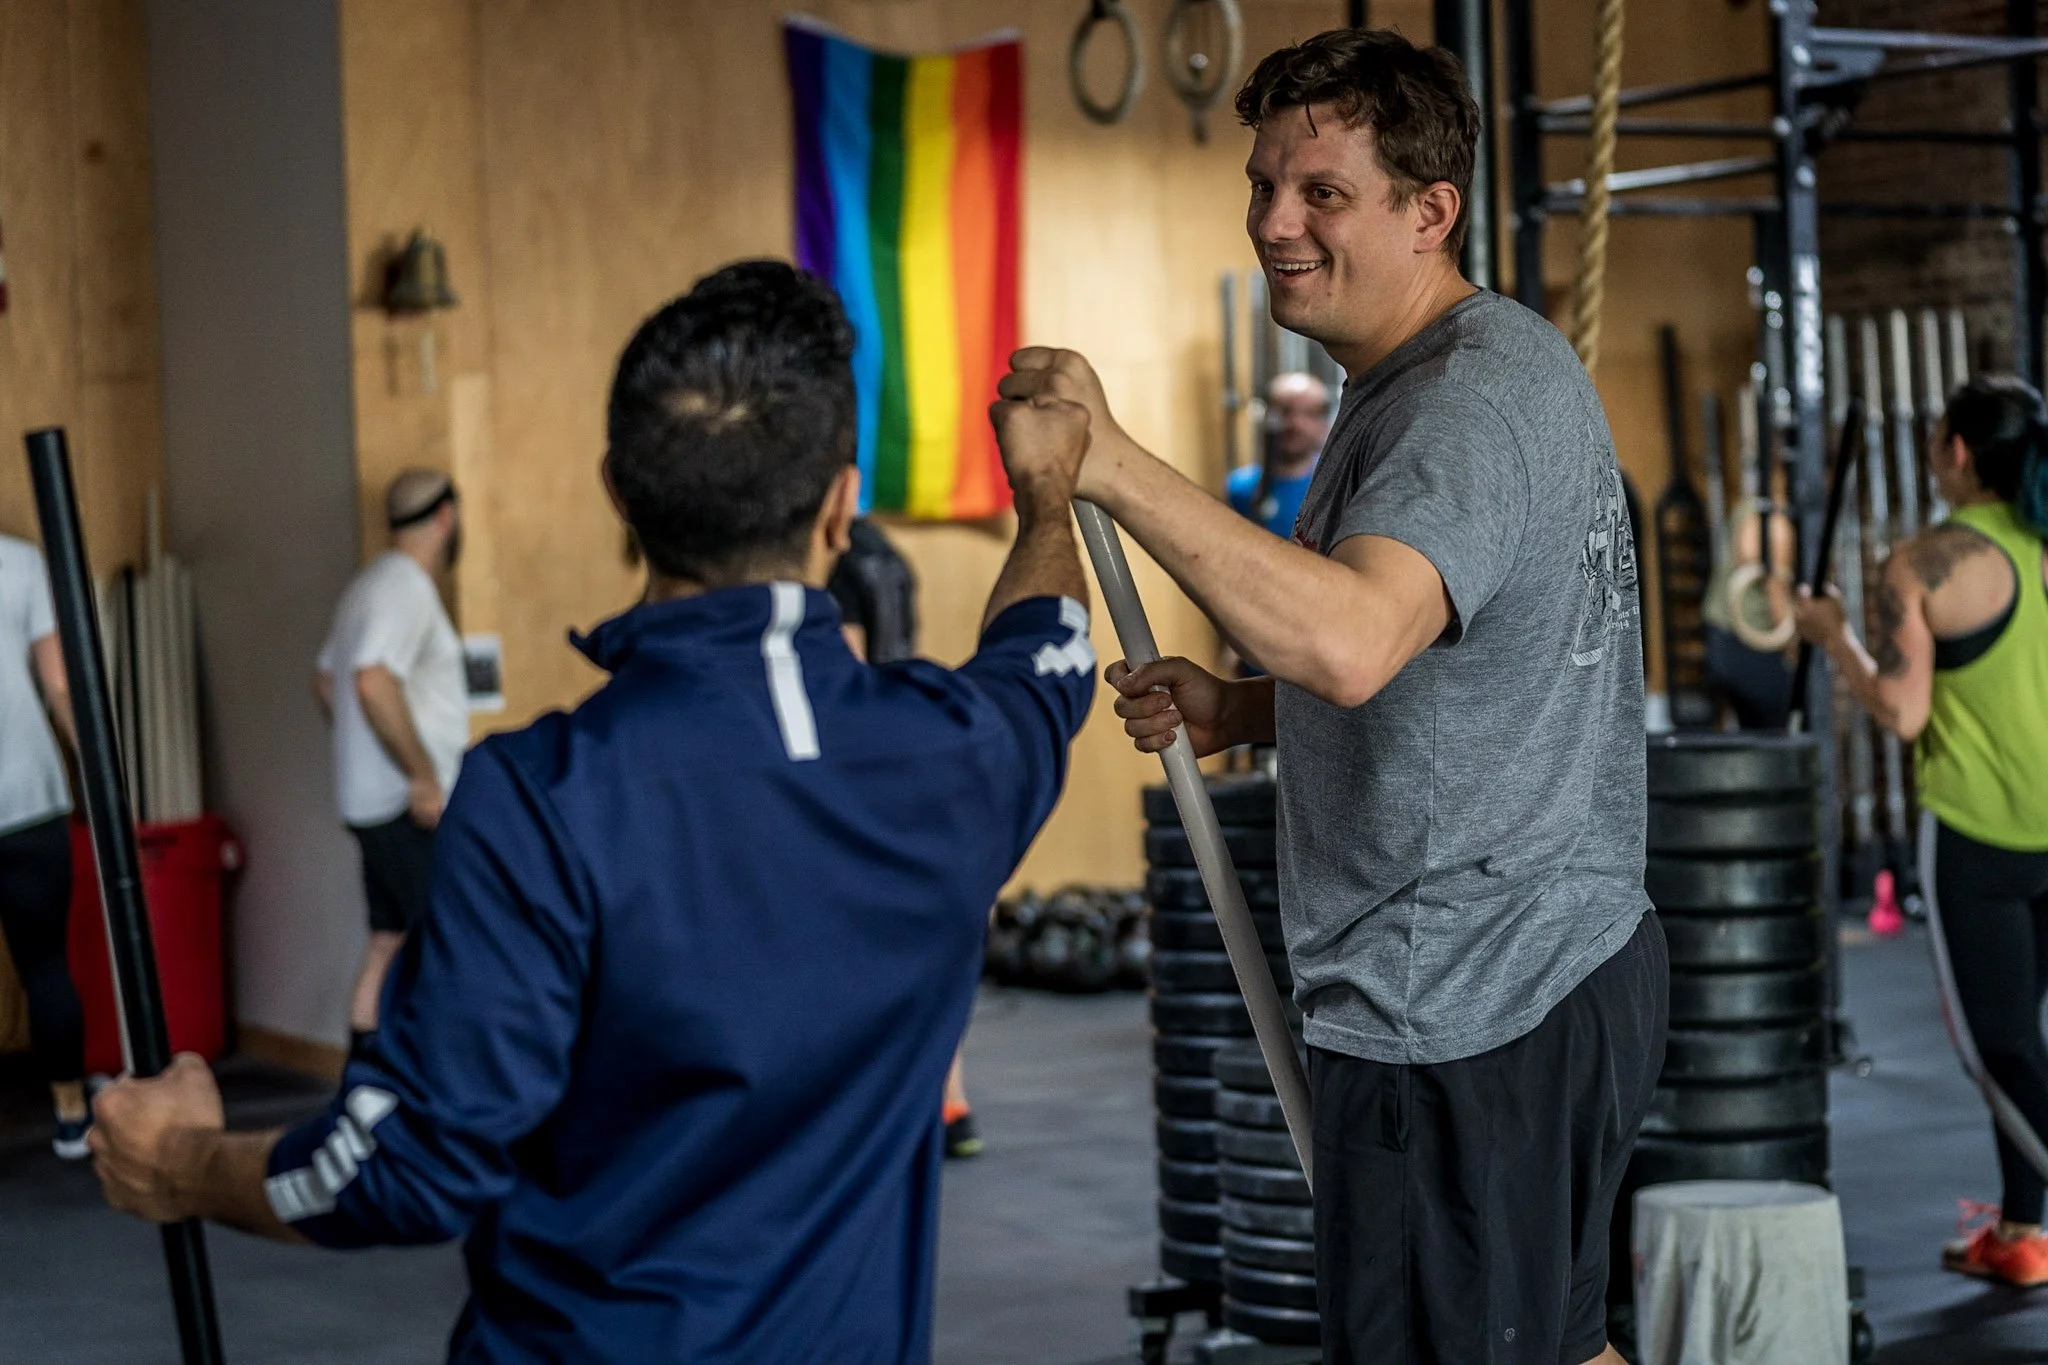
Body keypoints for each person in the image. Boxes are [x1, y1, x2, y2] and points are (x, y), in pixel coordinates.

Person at [85, 260, 1096, 1362]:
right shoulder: (954, 755)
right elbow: (1050, 646)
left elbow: (406, 1169)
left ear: (616, 490)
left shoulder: (541, 795)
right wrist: (1046, 495)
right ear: (840, 508)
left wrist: (179, 1163)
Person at [1001, 28, 1662, 1365]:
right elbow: (1453, 662)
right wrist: (1241, 708)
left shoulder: (1463, 407)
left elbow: (1357, 643)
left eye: (1321, 194)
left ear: (1433, 211)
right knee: (1560, 1341)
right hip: (1549, 971)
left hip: (1469, 1007)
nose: (1275, 225)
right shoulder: (1438, 373)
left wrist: (1108, 464)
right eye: (1262, 187)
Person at [1793, 373, 2048, 1288]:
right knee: (2025, 1040)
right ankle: (2022, 1227)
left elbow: (1901, 714)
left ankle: (2031, 1223)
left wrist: (1834, 634)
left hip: (1981, 836)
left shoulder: (1928, 561)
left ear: (1956, 451)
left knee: (1999, 1045)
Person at [825, 518, 982, 1158]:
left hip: (859, 751)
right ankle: (951, 1106)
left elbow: (849, 661)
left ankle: (892, 1110)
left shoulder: (834, 557)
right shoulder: (885, 553)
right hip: (903, 741)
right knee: (921, 931)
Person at [315, 469, 468, 1059]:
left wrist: (364, 753)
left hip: (369, 803)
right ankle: (432, 1090)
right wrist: (421, 775)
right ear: (447, 518)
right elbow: (371, 682)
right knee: (445, 946)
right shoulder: (406, 588)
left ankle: (363, 1085)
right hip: (411, 809)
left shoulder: (368, 585)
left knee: (386, 940)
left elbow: (327, 684)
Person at [0, 532, 91, 1160]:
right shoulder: (17, 561)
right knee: (45, 963)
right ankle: (71, 1118)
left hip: (30, 800)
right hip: (29, 796)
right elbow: (61, 687)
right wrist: (101, 780)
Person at [1701, 462, 1798, 728]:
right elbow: (1774, 587)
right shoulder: (1773, 523)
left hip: (1722, 637)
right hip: (1751, 644)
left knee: (1752, 731)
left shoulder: (1750, 506)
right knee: (1775, 734)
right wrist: (1793, 649)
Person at [1227, 370, 1332, 538]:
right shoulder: (1239, 488)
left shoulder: (1334, 489)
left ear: (1324, 423)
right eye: (1285, 411)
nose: (1296, 424)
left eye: (1310, 413)